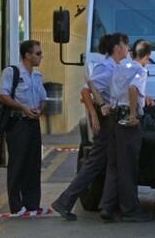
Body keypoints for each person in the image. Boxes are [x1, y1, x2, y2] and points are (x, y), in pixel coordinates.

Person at [51, 33, 130, 221]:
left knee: (103, 164)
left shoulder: (115, 67)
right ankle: (65, 201)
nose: (128, 49)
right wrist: (95, 114)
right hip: (106, 123)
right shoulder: (108, 67)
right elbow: (86, 89)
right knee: (94, 164)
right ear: (117, 48)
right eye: (126, 45)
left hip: (110, 121)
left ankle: (103, 204)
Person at [98, 39, 153, 222]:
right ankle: (130, 211)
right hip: (126, 123)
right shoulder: (140, 70)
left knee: (113, 166)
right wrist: (132, 115)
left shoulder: (119, 65)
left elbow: (106, 85)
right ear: (146, 56)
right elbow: (132, 88)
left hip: (113, 118)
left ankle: (106, 206)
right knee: (128, 167)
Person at [0, 40, 47, 214]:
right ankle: (16, 206)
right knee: (18, 163)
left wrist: (39, 109)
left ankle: (32, 204)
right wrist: (22, 108)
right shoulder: (12, 72)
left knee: (33, 164)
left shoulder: (37, 76)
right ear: (27, 55)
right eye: (38, 53)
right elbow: (2, 95)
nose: (41, 56)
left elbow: (43, 98)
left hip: (33, 123)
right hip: (18, 123)